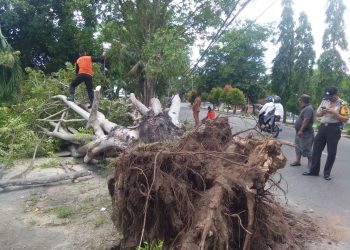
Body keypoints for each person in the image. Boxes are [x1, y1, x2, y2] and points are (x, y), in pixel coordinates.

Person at [303, 86, 349, 180]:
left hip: (334, 128)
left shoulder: (343, 104)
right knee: (316, 149)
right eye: (328, 97)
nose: (329, 99)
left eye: (331, 97)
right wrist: (323, 112)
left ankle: (327, 173)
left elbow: (345, 119)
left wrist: (334, 113)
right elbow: (317, 114)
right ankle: (314, 171)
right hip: (323, 127)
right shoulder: (325, 101)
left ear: (336, 95)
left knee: (331, 152)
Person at [290, 94, 314, 167]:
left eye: (300, 100)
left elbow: (306, 120)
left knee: (306, 148)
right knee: (297, 147)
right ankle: (298, 161)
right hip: (300, 132)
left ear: (302, 100)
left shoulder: (308, 109)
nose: (299, 102)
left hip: (305, 132)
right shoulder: (305, 108)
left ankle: (311, 162)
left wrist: (301, 129)